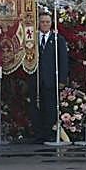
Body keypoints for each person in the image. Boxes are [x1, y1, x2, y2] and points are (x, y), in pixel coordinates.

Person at [31, 11, 69, 144]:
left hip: (51, 80)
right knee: (36, 107)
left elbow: (63, 61)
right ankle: (39, 134)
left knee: (50, 107)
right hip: (36, 80)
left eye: (47, 22)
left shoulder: (58, 39)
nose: (45, 24)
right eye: (42, 22)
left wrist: (62, 80)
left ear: (51, 23)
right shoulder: (33, 39)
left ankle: (50, 134)